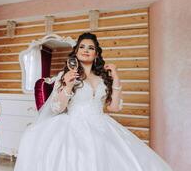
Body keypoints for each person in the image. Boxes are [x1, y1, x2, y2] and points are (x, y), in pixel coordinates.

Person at [13, 32, 173, 171]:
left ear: (96, 54)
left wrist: (116, 78)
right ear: (75, 52)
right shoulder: (66, 75)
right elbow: (57, 108)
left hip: (102, 125)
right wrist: (67, 85)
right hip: (72, 125)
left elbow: (114, 107)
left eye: (90, 48)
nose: (86, 50)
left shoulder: (104, 78)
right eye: (81, 47)